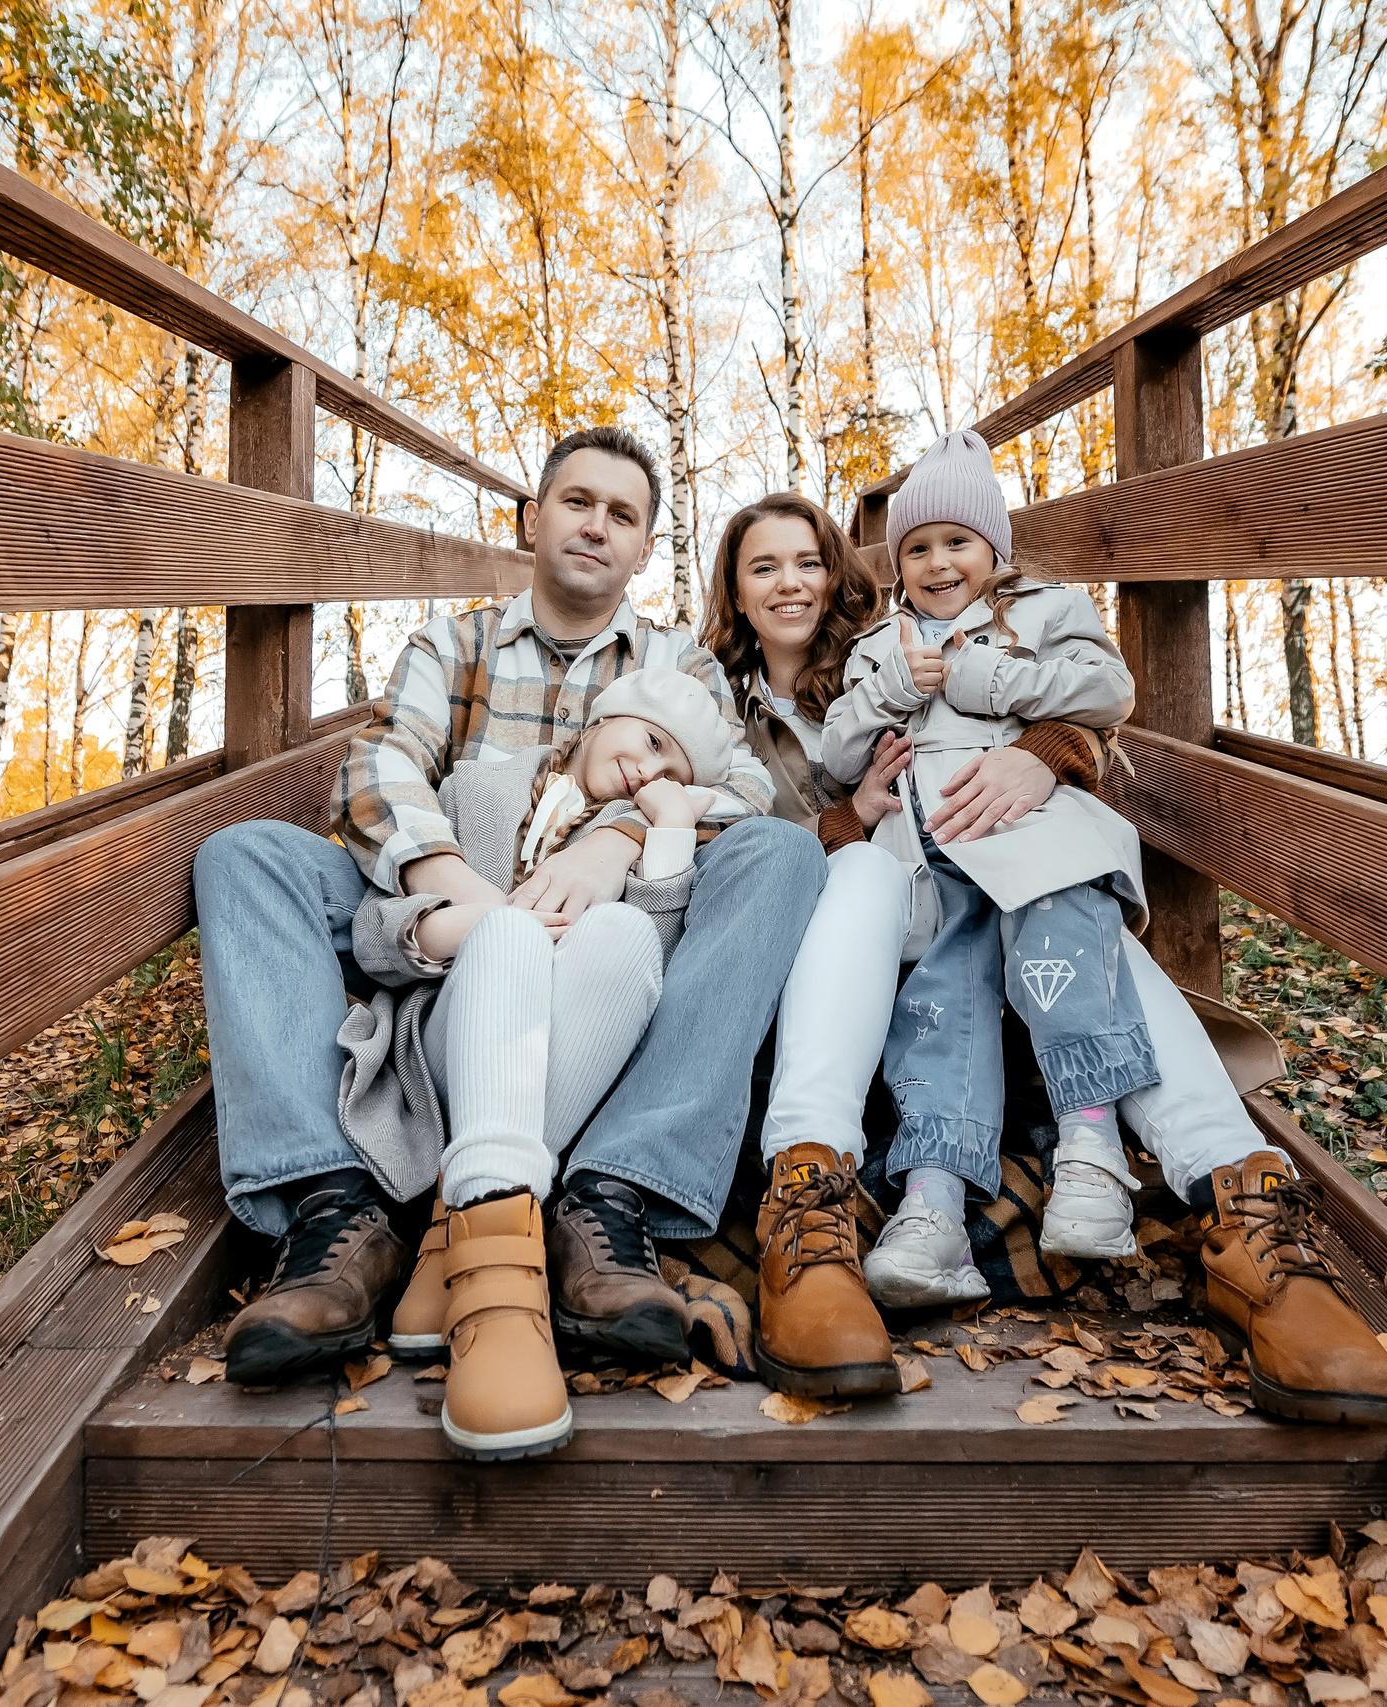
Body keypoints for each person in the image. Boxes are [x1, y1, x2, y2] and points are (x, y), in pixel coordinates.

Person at [193, 427, 830, 1435]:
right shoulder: (457, 646)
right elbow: (378, 766)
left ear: (643, 547)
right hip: (456, 924)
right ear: (532, 518)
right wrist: (463, 896)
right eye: (577, 502)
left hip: (605, 960)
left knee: (784, 855)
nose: (595, 526)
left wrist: (615, 837)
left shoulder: (678, 664)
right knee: (247, 856)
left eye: (623, 515)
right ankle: (333, 1208)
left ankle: (613, 1195)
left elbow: (744, 786)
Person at [822, 429, 1387, 1426]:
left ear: (996, 551)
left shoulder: (1036, 614)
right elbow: (836, 753)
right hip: (919, 867)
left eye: (957, 543)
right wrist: (888, 704)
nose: (935, 565)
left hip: (1031, 838)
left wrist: (995, 702)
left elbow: (1102, 690)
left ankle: (1133, 1165)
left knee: (1064, 931)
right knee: (948, 994)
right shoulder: (876, 647)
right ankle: (939, 1201)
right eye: (915, 549)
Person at [698, 490, 1116, 1394]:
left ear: (841, 570)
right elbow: (725, 855)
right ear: (733, 589)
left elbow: (1073, 714)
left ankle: (1083, 1146)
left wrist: (1042, 754)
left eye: (809, 561)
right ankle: (826, 1191)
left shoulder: (900, 644)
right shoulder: (715, 702)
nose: (791, 583)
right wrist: (847, 819)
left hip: (942, 903)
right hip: (804, 935)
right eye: (763, 566)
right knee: (854, 876)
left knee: (1032, 905)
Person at [340, 667, 734, 1458]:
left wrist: (661, 828)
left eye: (673, 773)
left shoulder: (637, 832)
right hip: (447, 1046)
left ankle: (473, 1224)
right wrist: (488, 921)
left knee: (622, 935)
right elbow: (374, 933)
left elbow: (648, 970)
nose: (650, 770)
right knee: (514, 937)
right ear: (605, 715)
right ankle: (480, 1260)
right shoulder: (476, 786)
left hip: (563, 1071)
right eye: (650, 741)